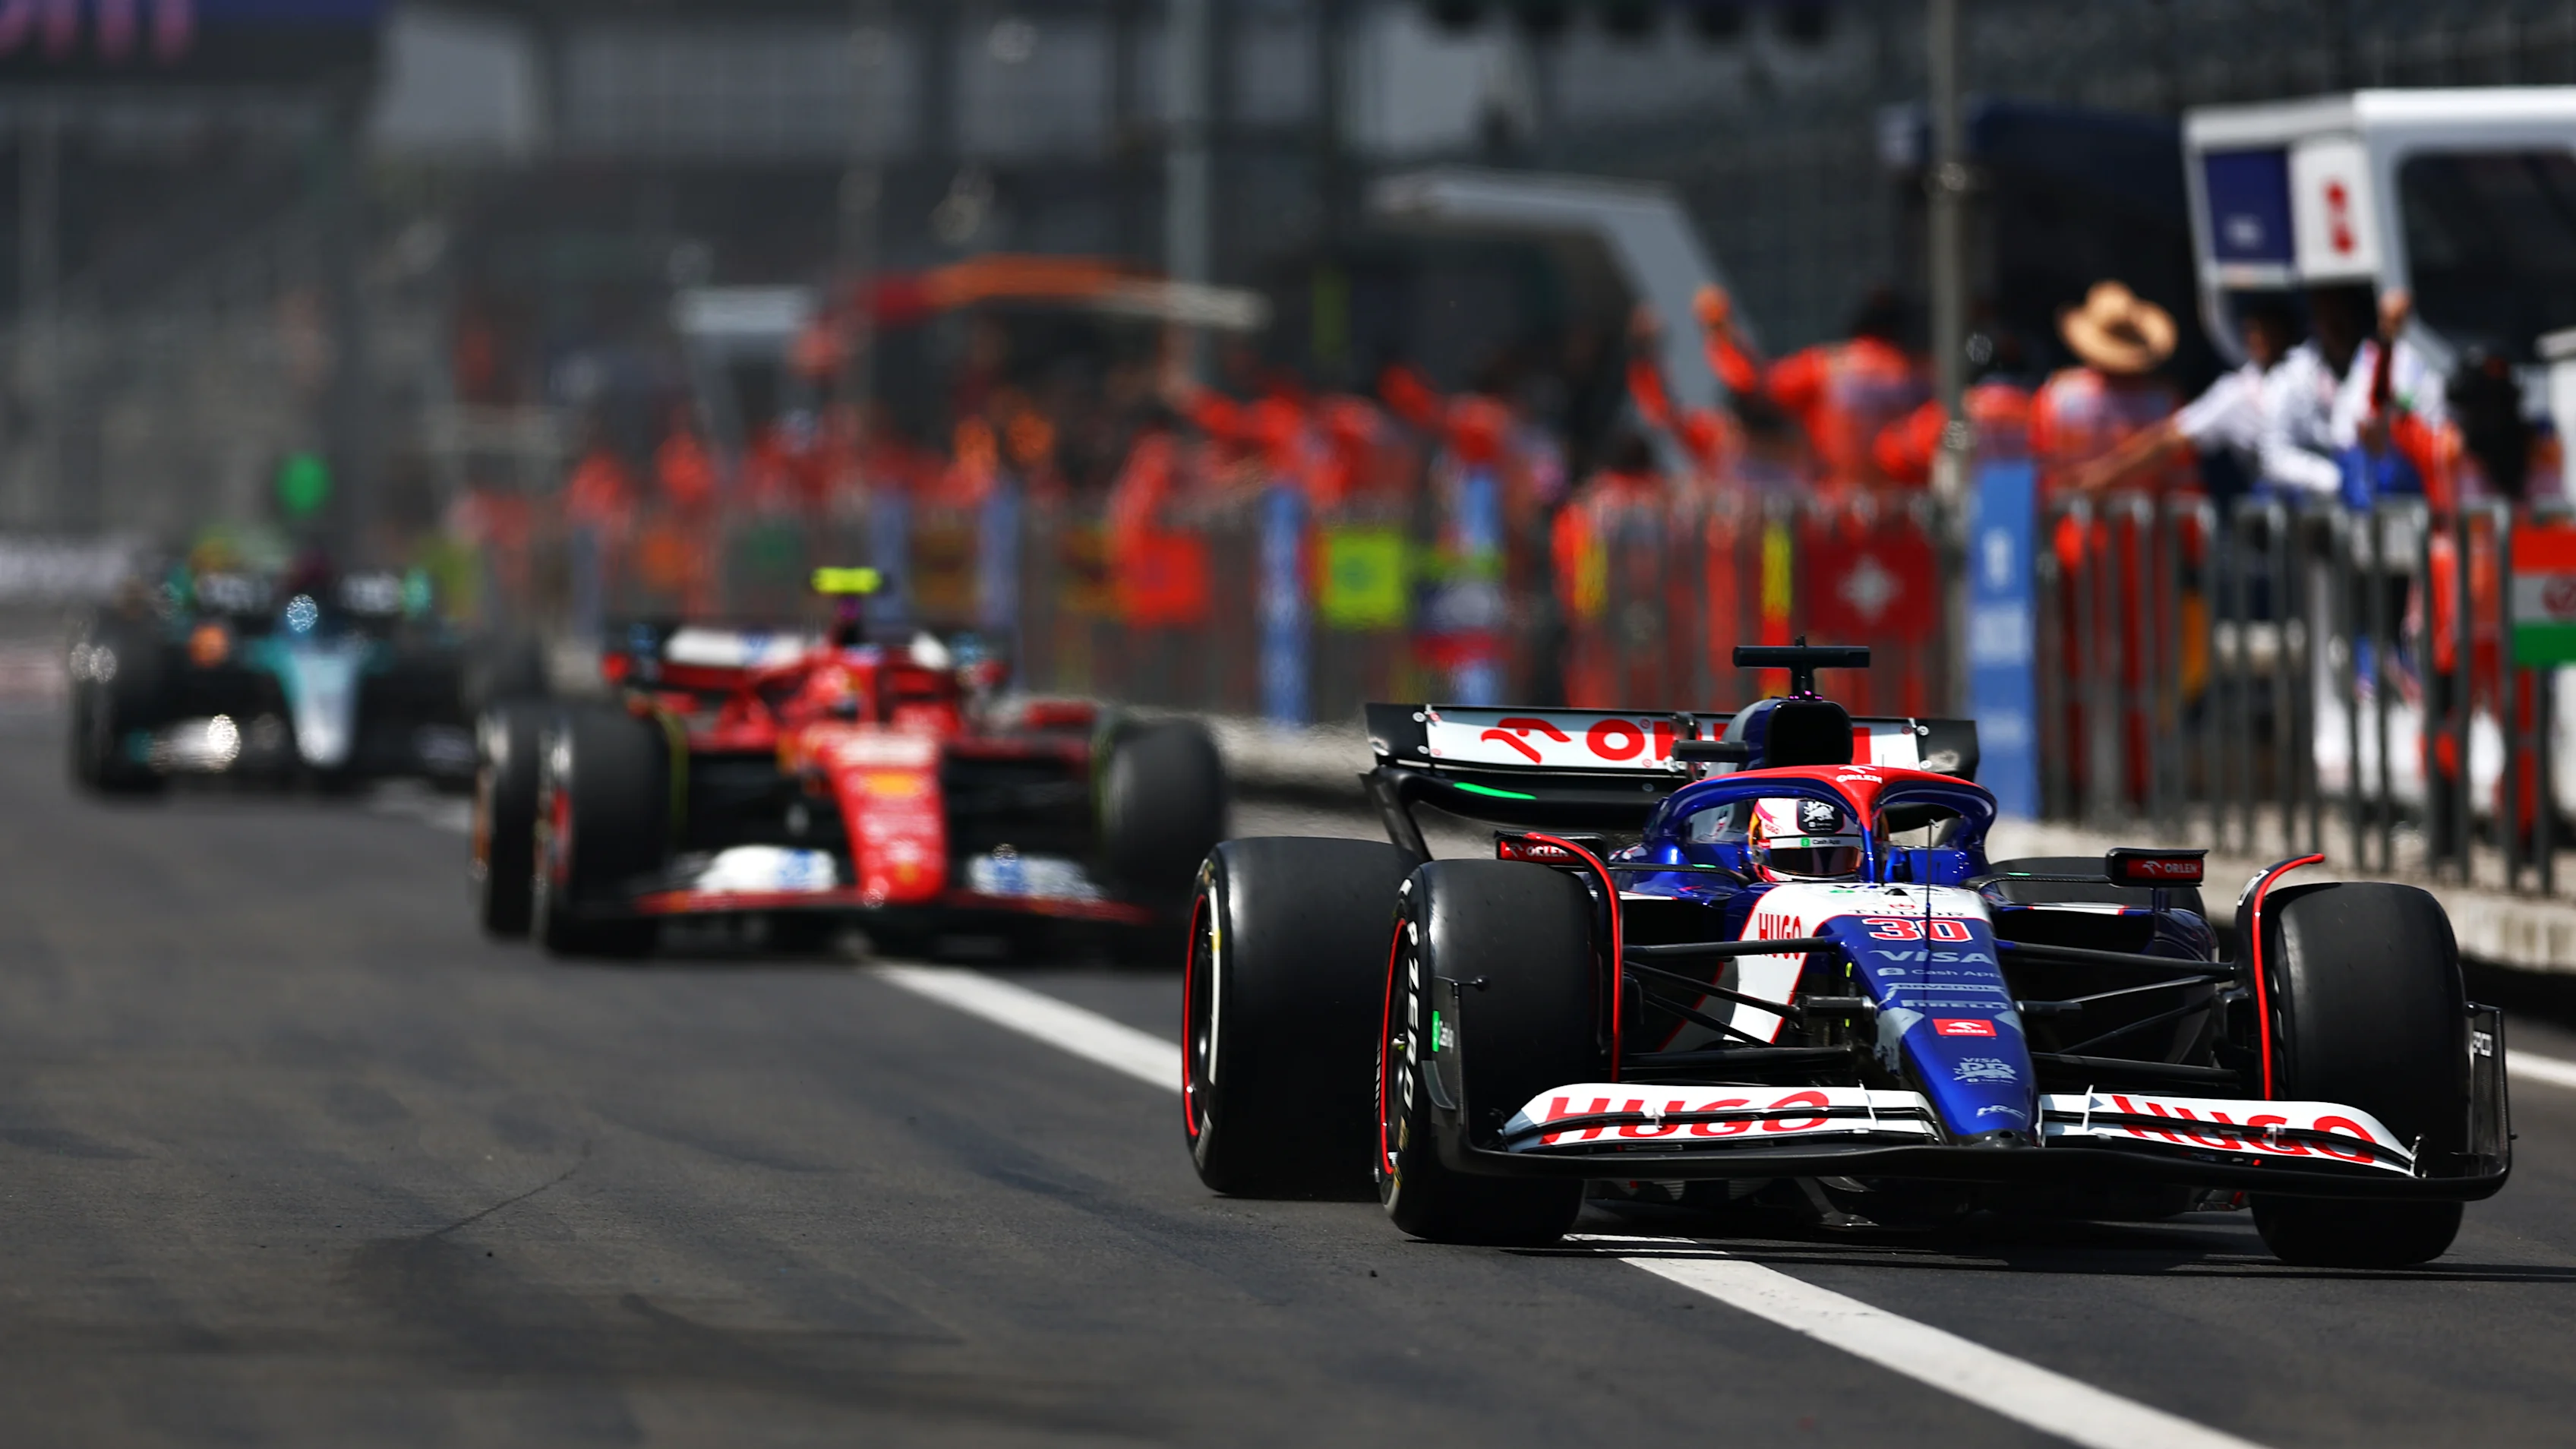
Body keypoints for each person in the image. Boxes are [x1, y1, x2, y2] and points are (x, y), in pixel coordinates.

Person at [2062, 294, 2295, 497]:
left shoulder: (2062, 394)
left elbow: (2170, 443)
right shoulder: (2225, 393)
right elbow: (2170, 441)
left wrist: (2101, 477)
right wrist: (2102, 477)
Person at [1701, 284, 1926, 494]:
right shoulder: (1922, 374)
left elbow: (1754, 383)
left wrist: (1718, 329)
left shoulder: (1828, 366)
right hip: (1914, 501)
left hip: (1841, 504)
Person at [2028, 280, 2183, 499]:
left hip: (2071, 517)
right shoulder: (2165, 402)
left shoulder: (2057, 397)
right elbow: (2184, 482)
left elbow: (2040, 470)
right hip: (2147, 518)